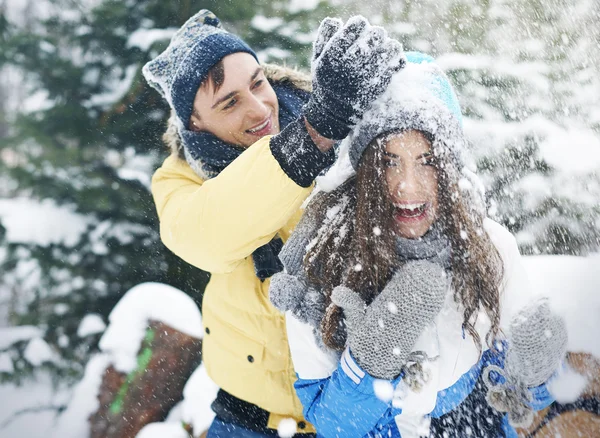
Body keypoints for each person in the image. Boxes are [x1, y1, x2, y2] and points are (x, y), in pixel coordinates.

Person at [269, 52, 568, 437]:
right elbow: (332, 424)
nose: (408, 186)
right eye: (389, 162)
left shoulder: (488, 245)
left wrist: (537, 371)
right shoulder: (321, 260)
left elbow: (515, 392)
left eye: (427, 161)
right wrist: (367, 365)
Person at [143, 9, 405, 437]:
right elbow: (207, 235)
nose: (259, 107)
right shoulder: (181, 176)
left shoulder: (335, 116)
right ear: (193, 122)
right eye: (229, 102)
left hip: (357, 407)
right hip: (248, 421)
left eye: (257, 82)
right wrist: (313, 136)